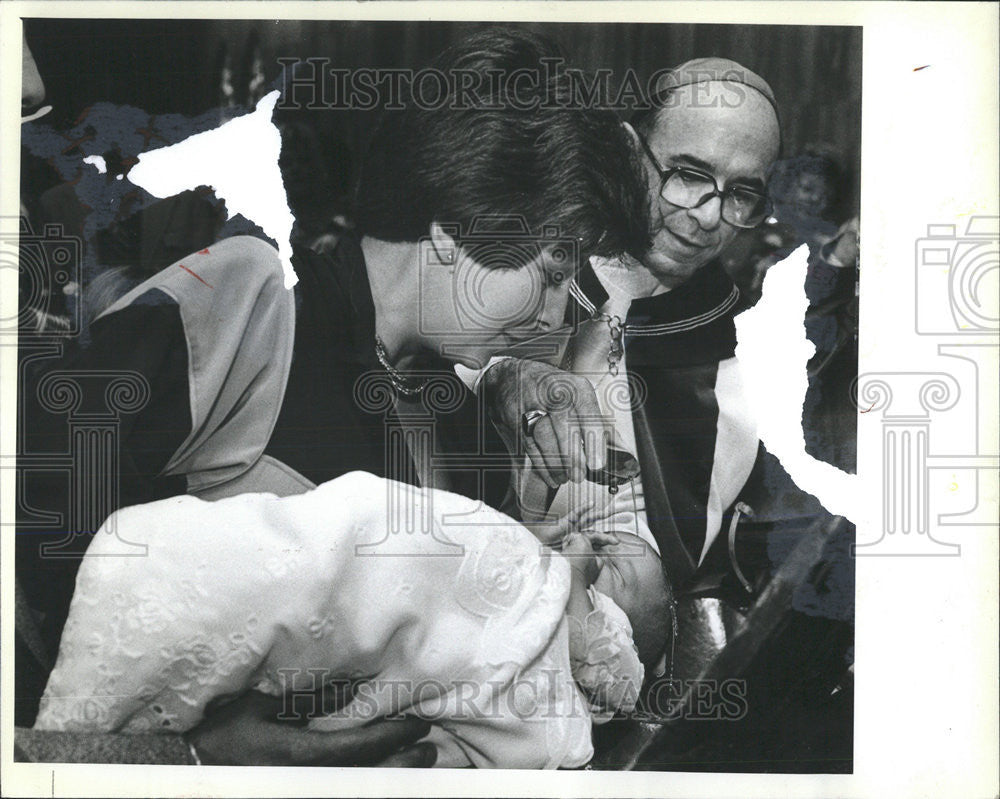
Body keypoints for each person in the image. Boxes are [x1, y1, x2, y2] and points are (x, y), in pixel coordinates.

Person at [14, 27, 650, 765]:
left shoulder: (461, 414)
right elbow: (38, 514)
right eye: (547, 272)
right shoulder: (258, 295)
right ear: (453, 231)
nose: (553, 313)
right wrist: (181, 752)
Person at [33, 472, 670, 768]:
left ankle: (174, 568)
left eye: (612, 563)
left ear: (614, 654)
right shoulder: (512, 567)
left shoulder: (553, 682)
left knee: (379, 541)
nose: (581, 546)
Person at [481, 58, 784, 589]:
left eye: (740, 193)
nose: (710, 216)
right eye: (688, 176)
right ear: (627, 149)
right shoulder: (522, 261)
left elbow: (679, 566)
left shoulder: (747, 354)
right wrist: (504, 380)